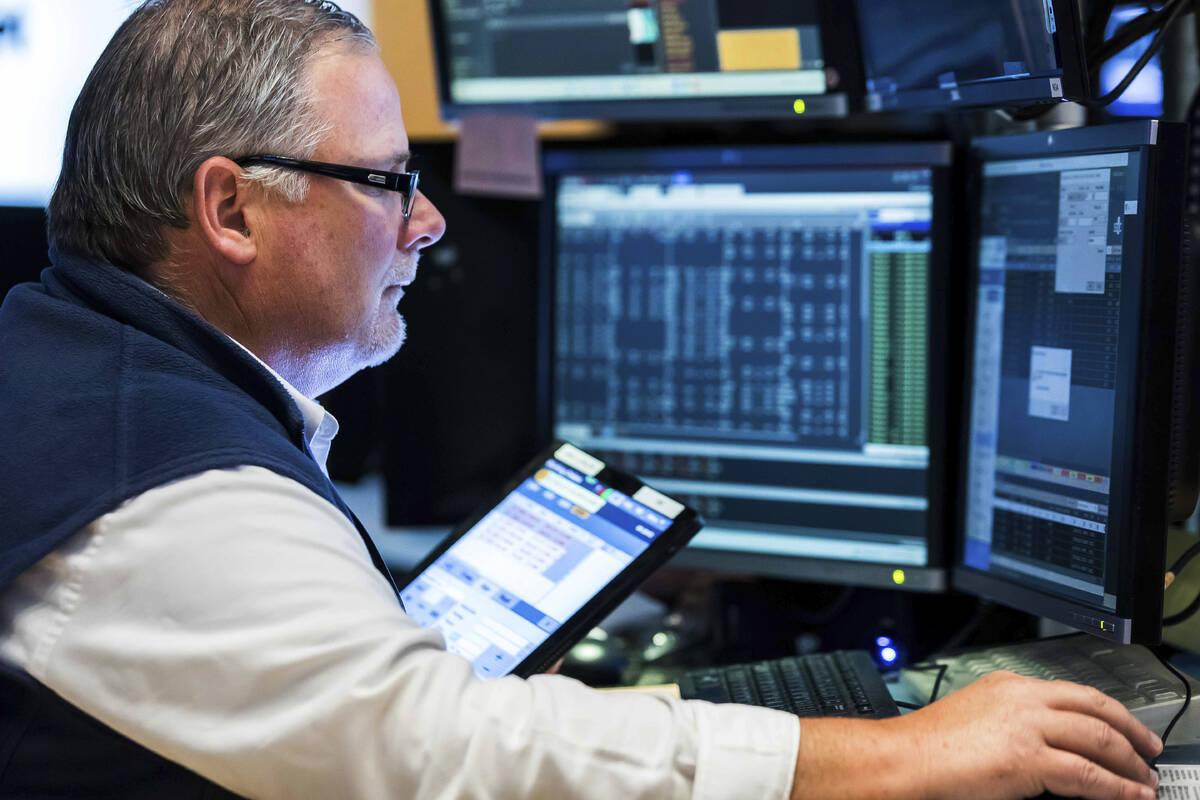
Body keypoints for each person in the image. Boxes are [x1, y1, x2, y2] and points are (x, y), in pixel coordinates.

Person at [0, 1, 1164, 798]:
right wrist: (905, 755)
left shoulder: (84, 370)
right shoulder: (164, 480)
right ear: (230, 209)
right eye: (386, 180)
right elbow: (443, 756)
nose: (430, 218)